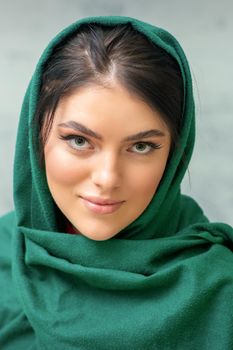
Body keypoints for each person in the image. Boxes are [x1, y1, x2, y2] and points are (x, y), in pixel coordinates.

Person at [0, 15, 232, 350]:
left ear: (174, 156)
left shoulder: (221, 290)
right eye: (79, 141)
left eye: (141, 147)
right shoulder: (5, 258)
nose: (107, 179)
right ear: (36, 138)